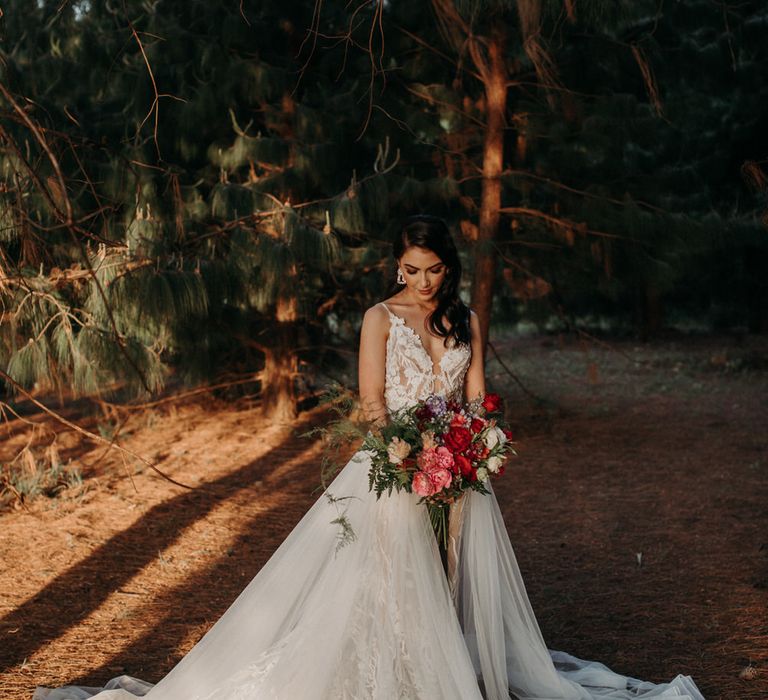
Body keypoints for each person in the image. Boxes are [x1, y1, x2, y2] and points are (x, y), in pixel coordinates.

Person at [34, 215, 705, 700]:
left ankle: (441, 661)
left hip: (460, 466)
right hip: (395, 464)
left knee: (448, 575)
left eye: (434, 269)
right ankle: (396, 673)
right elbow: (370, 403)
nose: (422, 282)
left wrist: (473, 445)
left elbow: (476, 398)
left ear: (450, 267)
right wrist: (408, 454)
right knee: (391, 576)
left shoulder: (464, 320)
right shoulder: (379, 319)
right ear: (395, 267)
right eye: (410, 270)